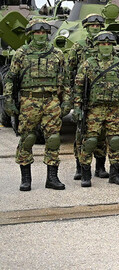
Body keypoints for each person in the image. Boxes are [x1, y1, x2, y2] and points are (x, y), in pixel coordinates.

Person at [3, 21, 69, 191]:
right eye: (37, 32)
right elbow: (10, 78)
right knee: (27, 139)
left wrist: (67, 100)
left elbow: (66, 80)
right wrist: (8, 100)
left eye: (44, 32)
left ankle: (52, 178)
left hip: (51, 101)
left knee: (53, 139)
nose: (41, 34)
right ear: (30, 33)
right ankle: (26, 179)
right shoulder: (21, 54)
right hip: (29, 101)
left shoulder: (57, 54)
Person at [73, 30, 119, 187]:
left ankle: (115, 173)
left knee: (115, 141)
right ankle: (85, 173)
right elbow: (78, 87)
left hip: (113, 110)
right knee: (90, 141)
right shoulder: (88, 65)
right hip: (94, 110)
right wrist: (77, 107)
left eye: (108, 44)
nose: (106, 47)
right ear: (97, 46)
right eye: (102, 44)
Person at [67, 14, 105, 180]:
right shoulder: (78, 46)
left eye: (97, 26)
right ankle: (80, 166)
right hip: (83, 95)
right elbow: (70, 71)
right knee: (82, 133)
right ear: (86, 27)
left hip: (102, 96)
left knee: (101, 133)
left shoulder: (105, 45)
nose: (95, 28)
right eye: (92, 26)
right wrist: (72, 94)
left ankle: (100, 167)